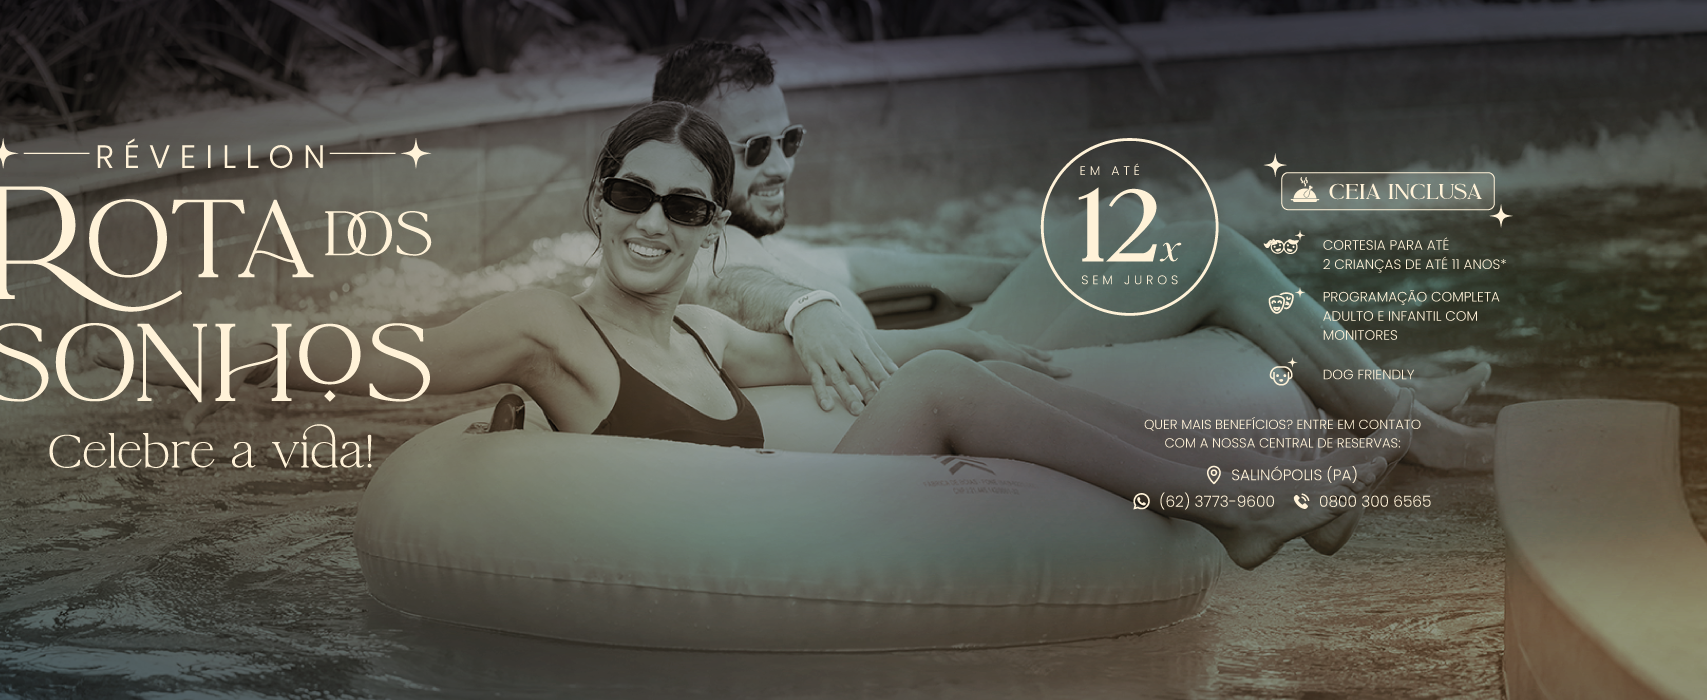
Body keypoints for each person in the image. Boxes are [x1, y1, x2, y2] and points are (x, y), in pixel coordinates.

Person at [112, 103, 1409, 570]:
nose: (652, 224)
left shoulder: (702, 334)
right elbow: (378, 364)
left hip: (801, 521)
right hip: (752, 542)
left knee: (966, 360)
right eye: (631, 196)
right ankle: (1252, 508)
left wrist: (968, 346)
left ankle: (1249, 508)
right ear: (595, 203)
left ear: (709, 226)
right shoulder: (546, 332)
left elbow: (821, 373)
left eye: (684, 206)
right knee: (959, 368)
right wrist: (197, 371)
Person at [651, 40, 1493, 470]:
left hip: (972, 341)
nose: (783, 164)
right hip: (966, 371)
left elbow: (946, 269)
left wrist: (1077, 257)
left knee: (1146, 236)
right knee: (1209, 251)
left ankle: (1384, 388)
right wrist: (807, 309)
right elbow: (737, 288)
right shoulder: (690, 246)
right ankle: (1414, 431)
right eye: (754, 149)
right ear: (687, 153)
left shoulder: (791, 241)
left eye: (789, 137)